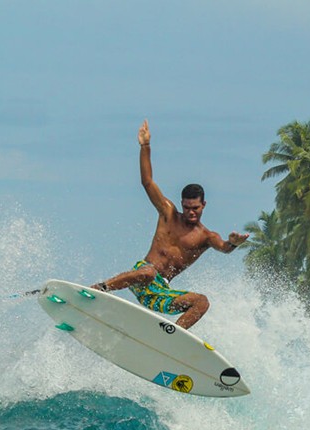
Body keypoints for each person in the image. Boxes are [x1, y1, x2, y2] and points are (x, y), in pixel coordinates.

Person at [92, 120, 249, 329]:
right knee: (148, 272)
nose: (191, 212)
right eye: (187, 207)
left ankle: (170, 335)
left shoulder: (206, 236)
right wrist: (145, 146)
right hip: (140, 278)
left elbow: (224, 248)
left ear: (203, 205)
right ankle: (100, 288)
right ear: (182, 204)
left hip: (160, 293)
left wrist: (234, 243)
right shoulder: (168, 214)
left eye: (195, 208)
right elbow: (147, 182)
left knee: (202, 302)